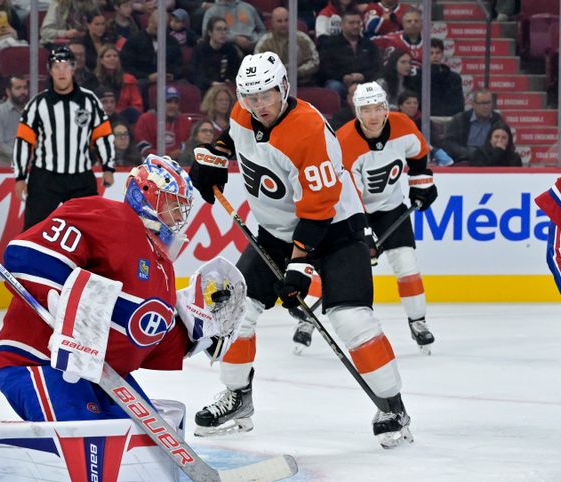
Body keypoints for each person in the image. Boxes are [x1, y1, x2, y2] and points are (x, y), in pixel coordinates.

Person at [0, 155, 246, 482]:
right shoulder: (105, 215)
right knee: (91, 453)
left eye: (181, 208)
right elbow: (26, 254)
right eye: (173, 205)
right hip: (38, 361)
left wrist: (194, 331)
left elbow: (141, 343)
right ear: (146, 193)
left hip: (100, 373)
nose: (179, 217)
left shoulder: (162, 267)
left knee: (150, 446)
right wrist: (62, 295)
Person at [187, 52, 413, 448]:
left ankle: (393, 407)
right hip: (275, 231)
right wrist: (213, 157)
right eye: (251, 96)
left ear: (284, 88)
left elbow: (319, 209)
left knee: (352, 321)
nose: (259, 105)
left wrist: (299, 268)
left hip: (336, 230)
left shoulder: (308, 131)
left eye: (267, 95)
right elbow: (231, 138)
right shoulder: (245, 114)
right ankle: (238, 398)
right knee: (235, 310)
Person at [331, 81, 437, 354]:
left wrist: (422, 185)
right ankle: (308, 322)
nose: (374, 116)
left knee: (407, 263)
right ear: (357, 112)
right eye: (367, 110)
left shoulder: (403, 126)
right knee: (345, 269)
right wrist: (364, 233)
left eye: (379, 108)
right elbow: (349, 195)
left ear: (386, 109)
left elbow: (419, 156)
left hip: (391, 208)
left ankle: (418, 322)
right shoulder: (344, 142)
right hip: (353, 211)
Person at [13, 46, 115, 230]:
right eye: (56, 66)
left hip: (81, 178)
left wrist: (108, 167)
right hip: (45, 177)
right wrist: (20, 176)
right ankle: (27, 259)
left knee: (91, 230)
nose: (61, 71)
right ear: (50, 70)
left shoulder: (89, 100)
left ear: (73, 68)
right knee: (32, 231)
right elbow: (23, 141)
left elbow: (103, 135)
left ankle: (88, 261)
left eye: (66, 66)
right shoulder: (38, 104)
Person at [318, 9, 381, 101]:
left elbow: (376, 66)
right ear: (342, 25)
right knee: (334, 87)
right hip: (339, 82)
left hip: (365, 82)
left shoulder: (369, 44)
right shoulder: (330, 44)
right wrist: (343, 77)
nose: (355, 26)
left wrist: (364, 76)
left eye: (358, 22)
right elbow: (325, 68)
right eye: (351, 23)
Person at [255, 7, 320, 86]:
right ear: (272, 23)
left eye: (286, 20)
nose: (283, 24)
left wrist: (295, 72)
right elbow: (258, 67)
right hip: (275, 87)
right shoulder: (264, 43)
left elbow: (315, 61)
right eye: (279, 21)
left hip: (302, 83)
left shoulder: (303, 39)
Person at [442, 88, 503, 163]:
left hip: (489, 161)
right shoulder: (460, 119)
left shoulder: (497, 120)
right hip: (465, 160)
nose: (486, 107)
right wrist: (468, 153)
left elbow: (505, 141)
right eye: (482, 103)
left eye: (489, 103)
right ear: (473, 104)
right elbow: (448, 143)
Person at [133, 86, 192, 160]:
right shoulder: (145, 119)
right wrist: (168, 155)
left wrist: (179, 153)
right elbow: (143, 148)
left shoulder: (185, 121)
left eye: (176, 102)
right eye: (168, 101)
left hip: (178, 164)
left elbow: (188, 145)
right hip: (151, 164)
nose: (173, 105)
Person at [190, 17, 243, 96]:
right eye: (219, 29)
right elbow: (195, 74)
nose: (223, 33)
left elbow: (236, 72)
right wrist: (211, 83)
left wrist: (230, 80)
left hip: (225, 88)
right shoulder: (200, 49)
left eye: (225, 29)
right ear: (210, 32)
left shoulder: (230, 49)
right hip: (205, 88)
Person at [94, 44, 144, 123]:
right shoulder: (93, 80)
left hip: (124, 118)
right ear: (101, 60)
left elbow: (137, 105)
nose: (112, 58)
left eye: (115, 56)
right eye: (108, 56)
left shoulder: (129, 80)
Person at [201, 0, 266, 55]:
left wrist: (256, 41)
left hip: (254, 44)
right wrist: (235, 39)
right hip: (228, 46)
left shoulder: (249, 7)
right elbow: (206, 34)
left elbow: (262, 30)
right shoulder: (212, 11)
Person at [0, 75, 29, 162]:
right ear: (8, 91)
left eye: (25, 88)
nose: (23, 92)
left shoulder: (33, 111)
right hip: (5, 164)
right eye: (18, 88)